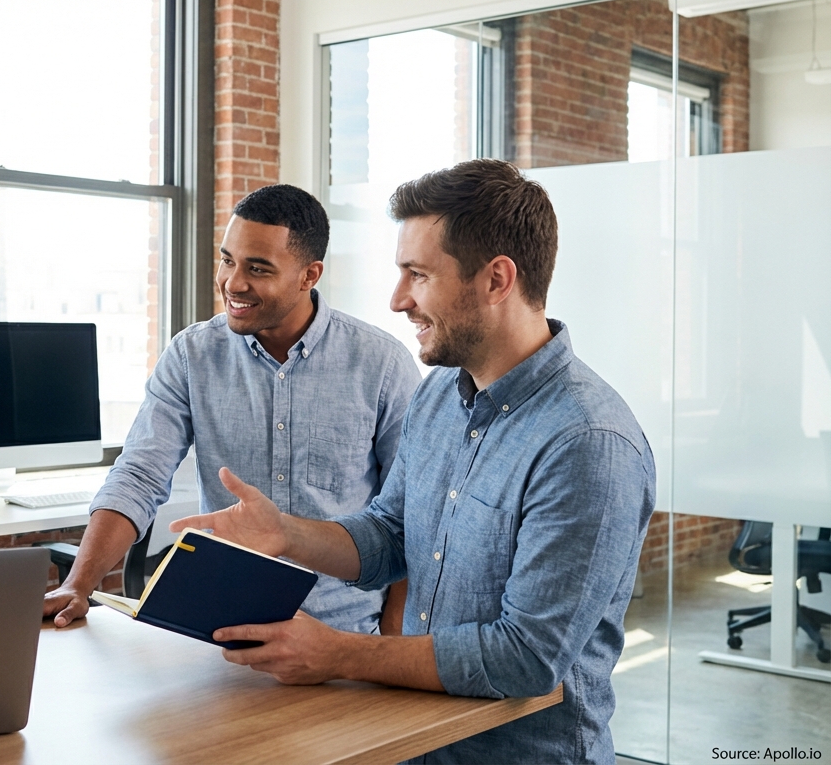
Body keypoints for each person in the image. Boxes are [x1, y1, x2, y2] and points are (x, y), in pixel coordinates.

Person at [172, 160, 655, 764]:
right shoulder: (438, 395)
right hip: (419, 741)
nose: (398, 300)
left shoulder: (588, 442)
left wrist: (338, 654)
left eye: (418, 275)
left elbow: (527, 657)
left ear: (497, 279)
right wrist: (285, 535)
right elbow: (389, 537)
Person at [44, 184, 421, 634]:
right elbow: (139, 476)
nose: (232, 283)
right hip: (213, 630)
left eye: (257, 268)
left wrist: (390, 644)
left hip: (342, 635)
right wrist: (78, 585)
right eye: (228, 260)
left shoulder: (382, 364)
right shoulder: (191, 355)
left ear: (309, 275)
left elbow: (411, 515)